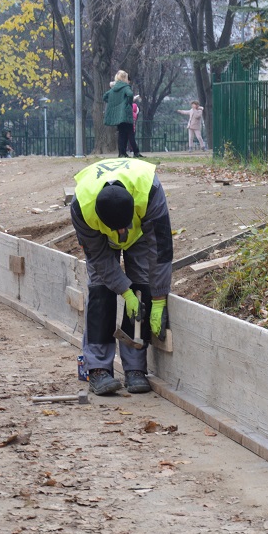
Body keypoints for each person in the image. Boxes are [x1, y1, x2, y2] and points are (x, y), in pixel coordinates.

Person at [70, 158, 173, 396]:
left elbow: (161, 249)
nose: (121, 235)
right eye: (116, 230)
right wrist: (123, 292)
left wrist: (157, 299)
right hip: (98, 237)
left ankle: (135, 368)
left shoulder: (149, 190)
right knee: (100, 290)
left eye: (123, 227)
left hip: (142, 230)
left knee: (143, 286)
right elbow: (99, 258)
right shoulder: (82, 207)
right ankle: (97, 368)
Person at [104, 70, 135, 157]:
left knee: (121, 134)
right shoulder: (126, 87)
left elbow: (105, 96)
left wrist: (113, 103)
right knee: (130, 133)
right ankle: (136, 151)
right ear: (125, 78)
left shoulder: (113, 88)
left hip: (118, 116)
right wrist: (128, 103)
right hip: (125, 114)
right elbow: (130, 94)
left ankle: (121, 153)